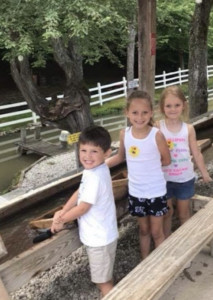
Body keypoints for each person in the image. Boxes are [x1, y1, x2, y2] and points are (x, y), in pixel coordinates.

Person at [51, 125, 118, 298]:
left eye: (94, 151)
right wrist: (63, 210)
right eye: (83, 150)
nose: (87, 156)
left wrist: (61, 220)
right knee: (104, 275)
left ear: (107, 153)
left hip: (99, 239)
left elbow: (82, 208)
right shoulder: (95, 169)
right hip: (104, 234)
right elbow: (79, 193)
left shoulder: (95, 177)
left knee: (101, 281)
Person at [106, 90, 171, 260]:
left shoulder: (156, 135)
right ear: (127, 113)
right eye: (135, 112)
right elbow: (120, 156)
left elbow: (166, 160)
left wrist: (149, 168)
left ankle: (161, 264)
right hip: (137, 192)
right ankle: (145, 261)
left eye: (144, 112)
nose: (140, 117)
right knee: (143, 230)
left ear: (151, 113)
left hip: (156, 192)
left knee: (157, 231)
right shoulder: (124, 134)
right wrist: (99, 165)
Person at [156, 85, 212, 239]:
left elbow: (196, 153)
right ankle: (165, 243)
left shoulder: (188, 129)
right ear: (162, 107)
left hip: (185, 179)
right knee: (167, 213)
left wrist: (205, 174)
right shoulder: (157, 127)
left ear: (183, 105)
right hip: (163, 180)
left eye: (177, 105)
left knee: (184, 213)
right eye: (168, 106)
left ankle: (185, 242)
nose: (173, 109)